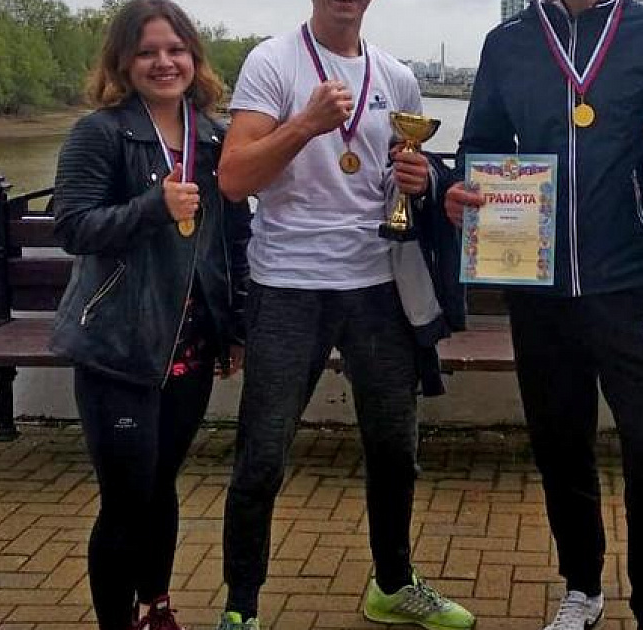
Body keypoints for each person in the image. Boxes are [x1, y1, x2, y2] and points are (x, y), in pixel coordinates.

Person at [445, 1, 643, 629]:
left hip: (634, 287)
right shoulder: (508, 41)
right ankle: (582, 587)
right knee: (560, 449)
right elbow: (480, 146)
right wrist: (461, 189)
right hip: (539, 294)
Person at [214, 1, 473, 629]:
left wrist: (420, 179)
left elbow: (403, 177)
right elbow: (233, 179)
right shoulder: (272, 62)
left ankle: (393, 584)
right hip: (288, 284)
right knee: (263, 454)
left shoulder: (396, 76)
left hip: (377, 284)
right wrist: (305, 125)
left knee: (394, 449)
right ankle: (241, 607)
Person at [49, 1, 251, 629]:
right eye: (146, 52)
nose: (164, 63)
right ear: (123, 62)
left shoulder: (213, 137)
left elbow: (231, 241)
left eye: (175, 50)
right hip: (121, 346)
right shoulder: (100, 133)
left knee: (161, 484)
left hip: (188, 348)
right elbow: (73, 227)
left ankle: (154, 607)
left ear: (194, 58)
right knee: (126, 497)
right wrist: (152, 207)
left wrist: (234, 327)